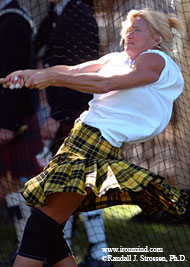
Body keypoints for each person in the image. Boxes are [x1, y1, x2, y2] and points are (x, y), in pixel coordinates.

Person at [4, 8, 189, 267]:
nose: (130, 34)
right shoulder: (118, 57)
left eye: (138, 29)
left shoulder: (155, 60)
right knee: (50, 227)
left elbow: (104, 84)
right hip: (79, 140)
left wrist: (52, 77)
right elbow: (72, 69)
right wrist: (31, 73)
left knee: (39, 226)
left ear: (157, 38)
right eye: (128, 30)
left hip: (96, 146)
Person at [35, 1, 113, 266]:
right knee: (63, 185)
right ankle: (60, 253)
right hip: (66, 116)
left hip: (79, 117)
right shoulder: (55, 15)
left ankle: (100, 254)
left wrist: (60, 118)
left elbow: (81, 73)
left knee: (79, 184)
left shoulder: (78, 12)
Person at [0, 0, 43, 262]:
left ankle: (31, 252)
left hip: (15, 120)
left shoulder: (11, 21)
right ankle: (24, 250)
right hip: (13, 117)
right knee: (14, 187)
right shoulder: (12, 17)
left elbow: (12, 78)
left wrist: (8, 123)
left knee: (22, 186)